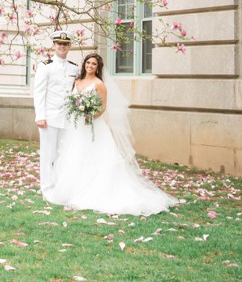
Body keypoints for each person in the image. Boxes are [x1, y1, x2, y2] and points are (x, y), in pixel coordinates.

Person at [46, 52, 179, 216]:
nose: (90, 66)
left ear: (98, 67)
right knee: (76, 155)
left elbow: (102, 108)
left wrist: (90, 116)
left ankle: (95, 191)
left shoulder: (99, 84)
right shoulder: (77, 81)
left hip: (93, 126)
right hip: (77, 128)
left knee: (95, 157)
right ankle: (72, 190)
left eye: (94, 64)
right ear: (84, 64)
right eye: (88, 63)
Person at [32, 30, 79, 200]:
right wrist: (40, 116)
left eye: (65, 44)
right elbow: (39, 92)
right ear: (53, 45)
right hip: (49, 118)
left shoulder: (74, 67)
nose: (62, 47)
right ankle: (47, 189)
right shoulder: (45, 66)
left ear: (69, 46)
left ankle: (59, 187)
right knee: (48, 154)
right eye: (59, 44)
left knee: (61, 154)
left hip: (67, 118)